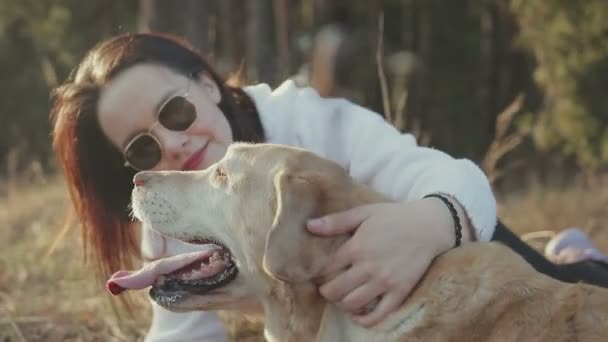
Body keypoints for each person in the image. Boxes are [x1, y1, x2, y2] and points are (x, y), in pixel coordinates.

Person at [49, 32, 607, 341]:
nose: (170, 146)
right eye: (142, 148)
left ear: (206, 84)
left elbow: (456, 178)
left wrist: (428, 221)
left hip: (457, 248)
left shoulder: (316, 123)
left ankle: (575, 253)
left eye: (174, 111)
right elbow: (182, 335)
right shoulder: (176, 209)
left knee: (560, 283)